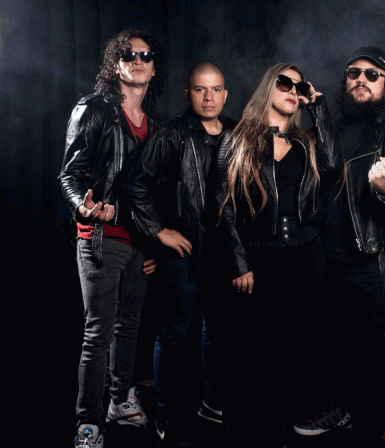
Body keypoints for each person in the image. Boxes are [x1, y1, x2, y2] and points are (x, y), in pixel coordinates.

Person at [292, 46, 385, 446]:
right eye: (354, 73)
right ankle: (341, 411)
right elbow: (325, 169)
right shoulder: (331, 125)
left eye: (372, 75)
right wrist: (317, 111)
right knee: (334, 341)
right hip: (328, 254)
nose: (361, 80)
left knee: (384, 342)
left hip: (374, 253)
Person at [216, 63, 336, 447]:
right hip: (260, 255)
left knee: (300, 344)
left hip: (305, 254)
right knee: (258, 347)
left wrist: (319, 108)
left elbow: (332, 165)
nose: (292, 91)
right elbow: (223, 206)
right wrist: (239, 262)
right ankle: (259, 428)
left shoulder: (306, 141)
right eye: (284, 83)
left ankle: (292, 424)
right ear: (269, 86)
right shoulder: (238, 139)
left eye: (299, 86)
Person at [58, 28, 165, 448]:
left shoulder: (155, 122)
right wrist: (83, 207)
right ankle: (88, 423)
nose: (138, 60)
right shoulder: (94, 109)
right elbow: (68, 174)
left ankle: (120, 401)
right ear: (115, 63)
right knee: (98, 333)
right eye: (128, 54)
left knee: (130, 326)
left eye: (146, 55)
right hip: (101, 238)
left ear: (154, 67)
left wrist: (153, 242)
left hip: (138, 242)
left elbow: (155, 193)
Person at [121, 62, 237, 445]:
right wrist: (158, 231)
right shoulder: (171, 133)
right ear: (188, 94)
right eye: (200, 89)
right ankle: (166, 414)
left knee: (217, 331)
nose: (209, 97)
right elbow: (133, 180)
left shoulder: (236, 132)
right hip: (183, 252)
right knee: (174, 333)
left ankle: (212, 403)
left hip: (222, 252)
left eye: (215, 89)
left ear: (225, 94)